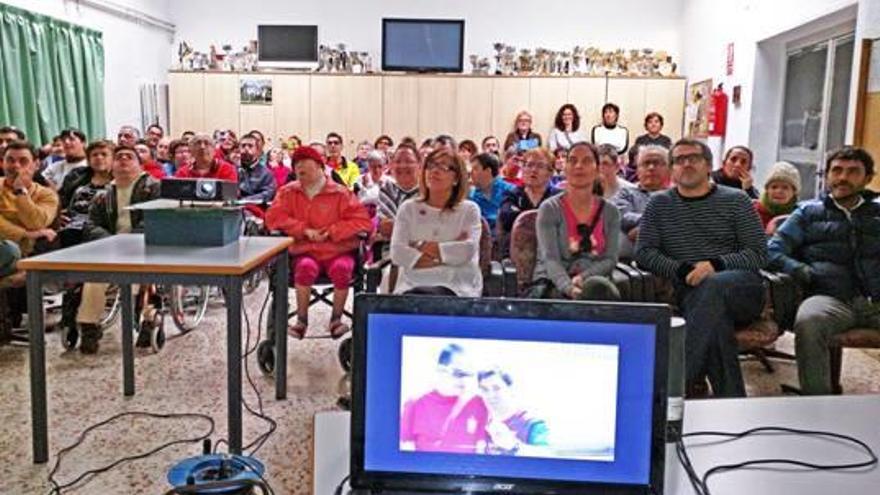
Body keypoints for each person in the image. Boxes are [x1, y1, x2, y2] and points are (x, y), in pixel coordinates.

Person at [635, 138, 767, 397]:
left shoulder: (737, 200)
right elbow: (644, 254)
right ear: (672, 169)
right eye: (679, 160)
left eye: (693, 158)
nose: (685, 164)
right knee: (716, 324)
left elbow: (759, 254)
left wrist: (715, 265)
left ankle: (670, 390)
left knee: (713, 286)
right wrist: (683, 270)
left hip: (741, 290)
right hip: (691, 294)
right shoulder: (659, 204)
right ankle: (733, 406)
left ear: (708, 165)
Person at [767, 147, 879, 395]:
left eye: (852, 172)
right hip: (829, 296)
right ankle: (817, 402)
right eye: (836, 171)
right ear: (826, 176)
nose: (842, 178)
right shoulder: (808, 212)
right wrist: (803, 271)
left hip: (876, 299)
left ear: (868, 178)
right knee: (809, 322)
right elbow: (772, 251)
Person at [265, 146, 372, 339]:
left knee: (342, 269)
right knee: (305, 268)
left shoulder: (341, 193)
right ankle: (301, 320)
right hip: (304, 252)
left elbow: (362, 222)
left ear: (320, 167)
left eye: (304, 164)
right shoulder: (288, 192)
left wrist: (332, 232)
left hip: (337, 251)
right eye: (296, 165)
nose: (299, 169)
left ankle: (336, 319)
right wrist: (303, 230)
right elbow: (273, 218)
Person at [74, 145, 161, 353]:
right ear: (112, 165)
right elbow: (91, 224)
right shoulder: (103, 194)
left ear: (140, 165)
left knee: (140, 278)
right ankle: (89, 327)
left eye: (129, 157)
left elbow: (156, 220)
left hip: (144, 247)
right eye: (119, 156)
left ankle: (148, 321)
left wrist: (129, 242)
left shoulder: (153, 188)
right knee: (93, 278)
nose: (123, 159)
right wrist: (110, 242)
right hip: (111, 249)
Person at [531, 142, 621, 301]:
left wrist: (583, 278)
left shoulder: (611, 212)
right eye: (572, 160)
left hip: (594, 285)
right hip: (554, 283)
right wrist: (570, 288)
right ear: (564, 168)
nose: (578, 166)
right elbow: (550, 259)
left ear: (597, 168)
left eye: (586, 161)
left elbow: (610, 259)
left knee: (599, 291)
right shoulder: (549, 209)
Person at [391, 149, 482, 297]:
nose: (434, 171)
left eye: (443, 167)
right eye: (431, 166)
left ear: (456, 178)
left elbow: (466, 250)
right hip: (412, 286)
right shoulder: (408, 208)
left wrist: (419, 246)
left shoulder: (469, 210)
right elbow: (398, 253)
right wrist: (447, 253)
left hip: (457, 287)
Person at [400, 344, 489, 454]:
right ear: (441, 370)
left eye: (469, 374)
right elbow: (405, 451)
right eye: (459, 373)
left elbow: (481, 451)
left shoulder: (478, 404)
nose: (465, 380)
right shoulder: (414, 403)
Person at [498, 148, 560, 258]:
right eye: (529, 165)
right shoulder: (512, 195)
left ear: (550, 173)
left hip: (551, 255)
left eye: (540, 166)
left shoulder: (559, 198)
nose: (533, 170)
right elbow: (508, 219)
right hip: (516, 256)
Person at [612, 145, 671, 259]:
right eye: (646, 163)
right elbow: (622, 216)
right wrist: (659, 221)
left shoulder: (678, 195)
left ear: (669, 169)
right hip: (628, 263)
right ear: (638, 170)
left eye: (657, 163)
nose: (651, 167)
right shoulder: (626, 193)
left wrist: (643, 230)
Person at [57, 140, 115, 246]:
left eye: (104, 154)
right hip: (70, 225)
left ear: (113, 159)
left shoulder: (118, 182)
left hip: (98, 227)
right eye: (94, 155)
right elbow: (61, 201)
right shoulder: (76, 177)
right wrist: (57, 215)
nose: (99, 157)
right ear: (88, 160)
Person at [478, 368, 549, 452]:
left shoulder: (533, 425)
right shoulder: (481, 424)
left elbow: (550, 458)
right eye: (484, 390)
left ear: (511, 389)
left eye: (497, 388)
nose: (490, 395)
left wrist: (513, 446)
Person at [377, 144, 421, 240]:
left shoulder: (430, 191)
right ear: (391, 166)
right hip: (392, 248)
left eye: (408, 161)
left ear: (419, 165)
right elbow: (387, 228)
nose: (403, 166)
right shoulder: (387, 189)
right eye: (397, 161)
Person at [469, 152, 516, 233]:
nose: (471, 173)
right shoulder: (471, 196)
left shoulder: (511, 191)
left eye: (475, 169)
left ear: (488, 171)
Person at [753, 161, 800, 232]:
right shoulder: (752, 211)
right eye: (774, 187)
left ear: (794, 192)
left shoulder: (799, 215)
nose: (779, 191)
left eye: (785, 187)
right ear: (767, 190)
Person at [238, 134, 276, 203]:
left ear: (258, 150)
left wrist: (244, 201)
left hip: (256, 209)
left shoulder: (266, 173)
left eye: (250, 146)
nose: (246, 148)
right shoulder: (233, 169)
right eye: (243, 146)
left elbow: (268, 194)